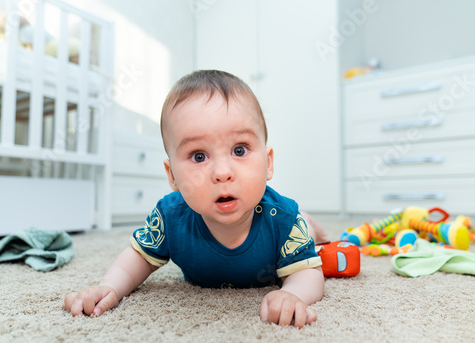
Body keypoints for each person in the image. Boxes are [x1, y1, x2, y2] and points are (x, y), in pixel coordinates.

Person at [63, 70, 327, 328]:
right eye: (199, 156)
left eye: (239, 150)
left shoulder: (282, 219)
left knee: (304, 231)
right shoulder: (170, 218)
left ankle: (310, 225)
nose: (222, 173)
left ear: (268, 163)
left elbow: (308, 273)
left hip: (290, 223)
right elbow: (138, 257)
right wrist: (109, 287)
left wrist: (294, 295)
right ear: (173, 176)